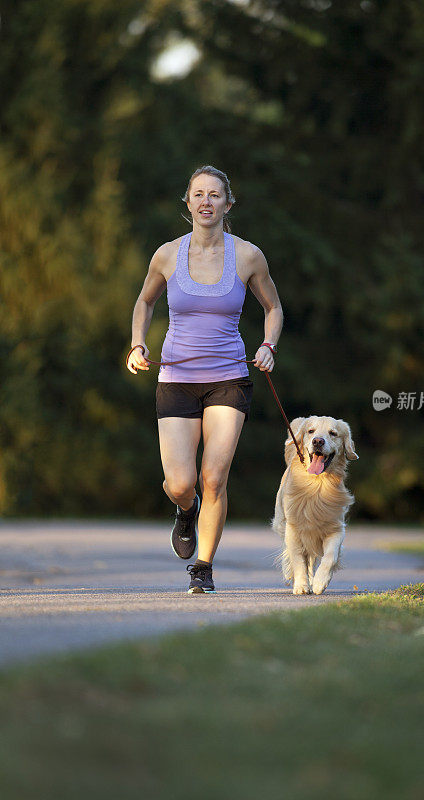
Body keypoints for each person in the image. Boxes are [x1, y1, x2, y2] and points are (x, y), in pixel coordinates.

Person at [127, 165, 283, 594]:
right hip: (176, 376)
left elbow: (273, 307)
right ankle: (185, 508)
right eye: (198, 194)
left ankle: (204, 567)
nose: (206, 202)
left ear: (227, 204)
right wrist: (138, 345)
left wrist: (269, 345)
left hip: (229, 377)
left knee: (215, 476)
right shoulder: (166, 254)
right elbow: (144, 301)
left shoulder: (248, 255)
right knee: (182, 483)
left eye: (215, 195)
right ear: (188, 202)